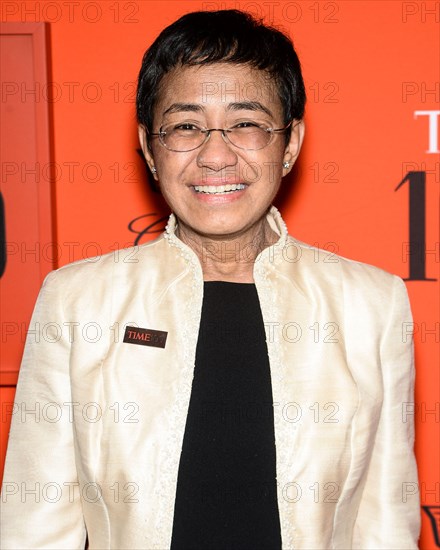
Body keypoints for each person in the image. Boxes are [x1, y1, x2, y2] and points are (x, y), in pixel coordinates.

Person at [0, 9, 420, 550]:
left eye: (246, 123)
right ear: (151, 149)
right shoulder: (77, 302)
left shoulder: (371, 305)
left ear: (289, 144)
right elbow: (33, 529)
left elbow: (385, 528)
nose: (216, 155)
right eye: (185, 125)